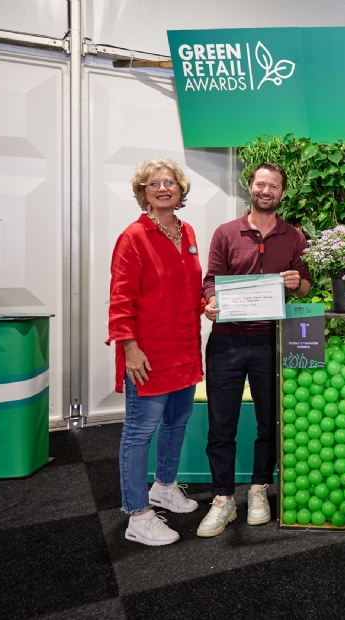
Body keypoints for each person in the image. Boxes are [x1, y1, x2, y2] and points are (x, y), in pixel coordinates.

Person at [198, 162, 312, 537]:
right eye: (261, 184)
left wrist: (298, 283)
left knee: (270, 421)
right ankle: (222, 499)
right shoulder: (226, 232)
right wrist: (211, 301)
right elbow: (210, 281)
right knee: (221, 424)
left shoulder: (294, 236)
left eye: (274, 186)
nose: (266, 191)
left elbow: (306, 286)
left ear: (282, 193)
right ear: (251, 187)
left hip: (272, 342)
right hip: (227, 342)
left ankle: (260, 489)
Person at [108, 158, 204, 546]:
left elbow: (189, 289)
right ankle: (137, 513)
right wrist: (129, 347)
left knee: (177, 422)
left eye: (170, 182)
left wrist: (207, 305)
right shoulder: (134, 236)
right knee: (138, 431)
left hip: (184, 347)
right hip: (147, 354)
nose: (163, 188)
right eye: (153, 183)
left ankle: (164, 486)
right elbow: (120, 300)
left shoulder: (189, 232)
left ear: (180, 190)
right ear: (143, 192)